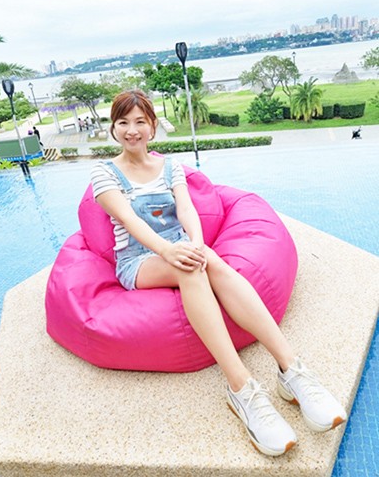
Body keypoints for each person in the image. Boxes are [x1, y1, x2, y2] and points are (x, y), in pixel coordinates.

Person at [90, 89, 346, 457]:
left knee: (206, 258)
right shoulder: (104, 173)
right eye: (123, 123)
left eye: (140, 122)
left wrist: (194, 242)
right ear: (113, 128)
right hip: (140, 260)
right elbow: (129, 221)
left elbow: (186, 209)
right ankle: (241, 389)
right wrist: (171, 251)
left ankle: (292, 371)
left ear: (153, 126)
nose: (132, 131)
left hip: (180, 245)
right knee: (192, 269)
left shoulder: (170, 166)